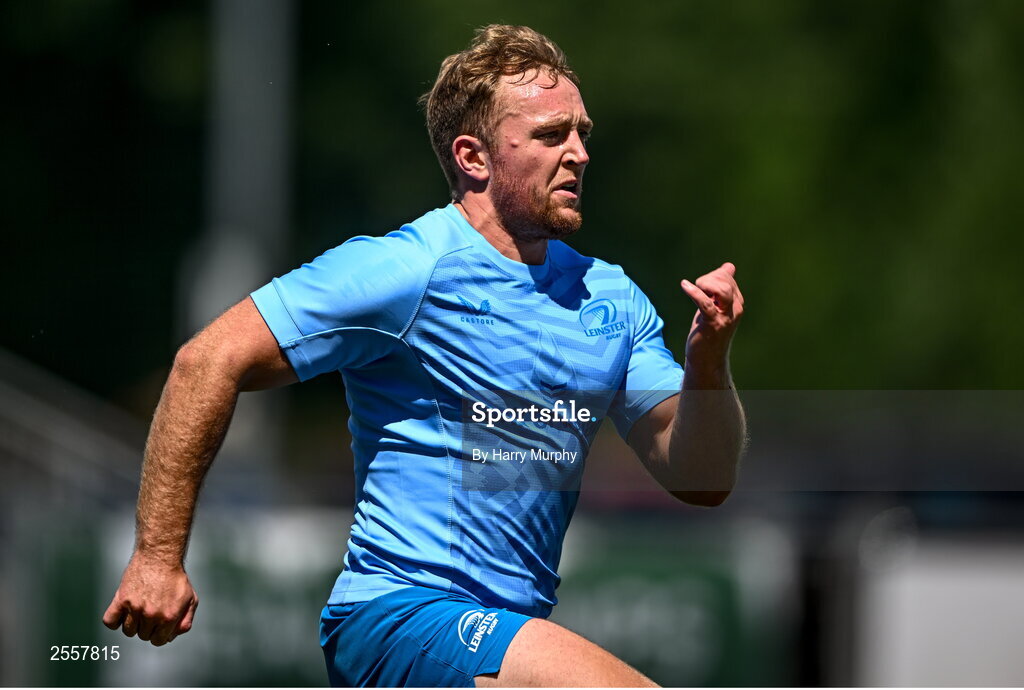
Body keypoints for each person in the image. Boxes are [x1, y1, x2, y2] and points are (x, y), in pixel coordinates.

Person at [102, 24, 746, 687]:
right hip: (399, 619)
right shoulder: (405, 269)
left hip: (503, 631)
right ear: (474, 157)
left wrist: (708, 363)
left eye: (582, 132)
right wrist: (157, 556)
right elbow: (206, 360)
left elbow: (701, 477)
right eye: (554, 136)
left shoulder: (608, 297)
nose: (580, 153)